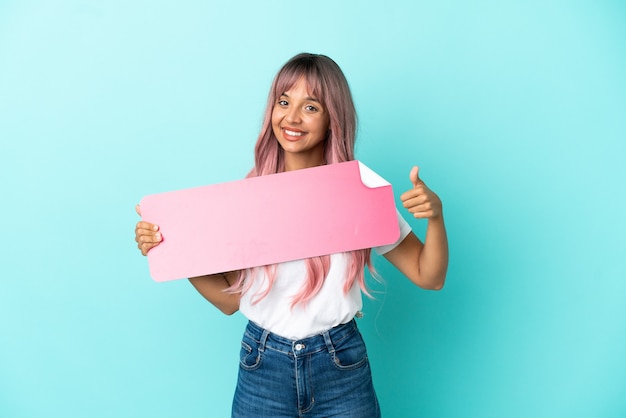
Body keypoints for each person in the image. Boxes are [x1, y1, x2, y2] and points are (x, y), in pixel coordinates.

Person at [134, 53, 448, 417]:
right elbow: (229, 301)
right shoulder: (249, 198)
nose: (292, 117)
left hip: (340, 367)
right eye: (284, 102)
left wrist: (436, 217)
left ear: (334, 119)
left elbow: (430, 276)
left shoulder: (360, 193)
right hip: (262, 366)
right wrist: (175, 249)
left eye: (311, 106)